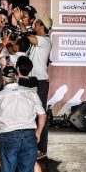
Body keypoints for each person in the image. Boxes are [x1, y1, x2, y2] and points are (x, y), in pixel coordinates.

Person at [0, 61, 47, 172]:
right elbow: (42, 115)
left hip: (8, 137)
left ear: (3, 79)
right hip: (29, 136)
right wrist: (38, 132)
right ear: (17, 77)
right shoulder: (30, 92)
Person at [24, 14, 53, 158]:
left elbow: (28, 37)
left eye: (37, 22)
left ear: (42, 26)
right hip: (32, 80)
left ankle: (41, 148)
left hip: (40, 82)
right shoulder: (38, 40)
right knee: (30, 114)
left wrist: (20, 22)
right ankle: (31, 146)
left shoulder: (45, 41)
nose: (34, 23)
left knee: (40, 114)